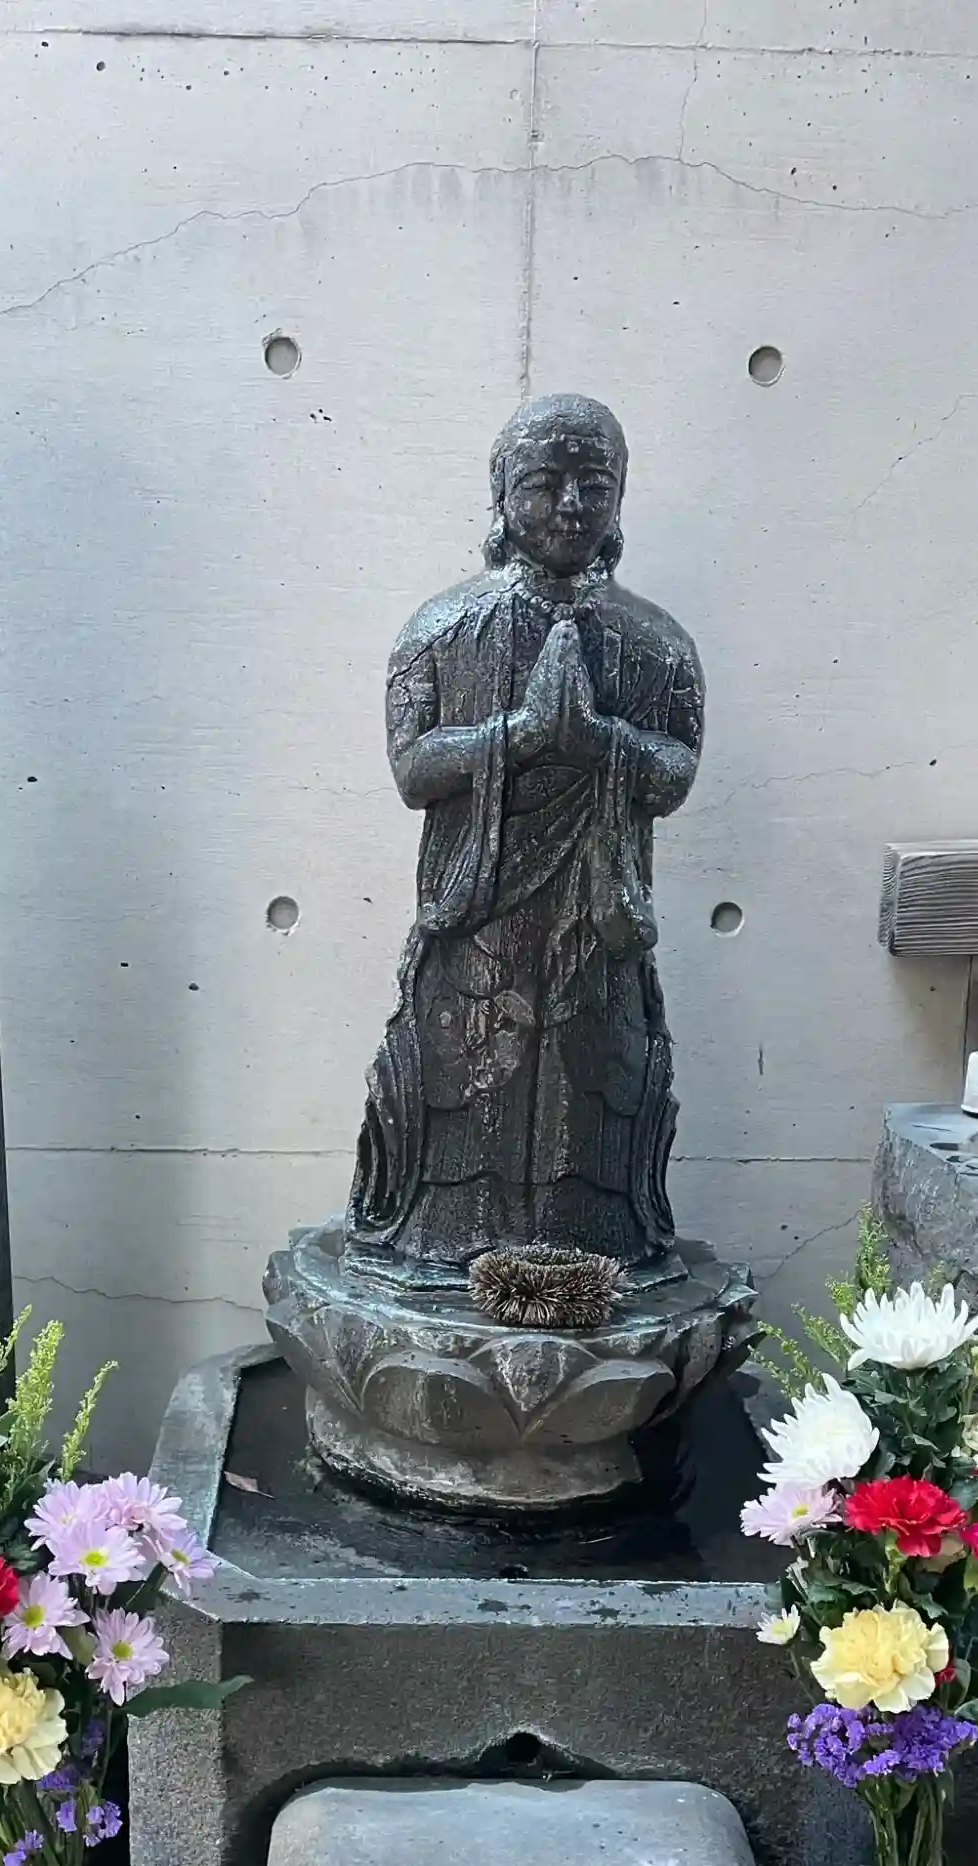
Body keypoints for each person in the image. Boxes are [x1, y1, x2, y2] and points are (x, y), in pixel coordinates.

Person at [346, 394, 704, 1285]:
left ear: (620, 495)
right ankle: (442, 1247)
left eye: (595, 484)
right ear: (501, 492)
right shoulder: (440, 629)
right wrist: (516, 736)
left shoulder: (657, 643)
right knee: (466, 1079)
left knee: (592, 1087)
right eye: (545, 483)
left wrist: (598, 743)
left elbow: (675, 774)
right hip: (477, 914)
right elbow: (412, 770)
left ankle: (593, 1254)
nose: (570, 506)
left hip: (596, 918)